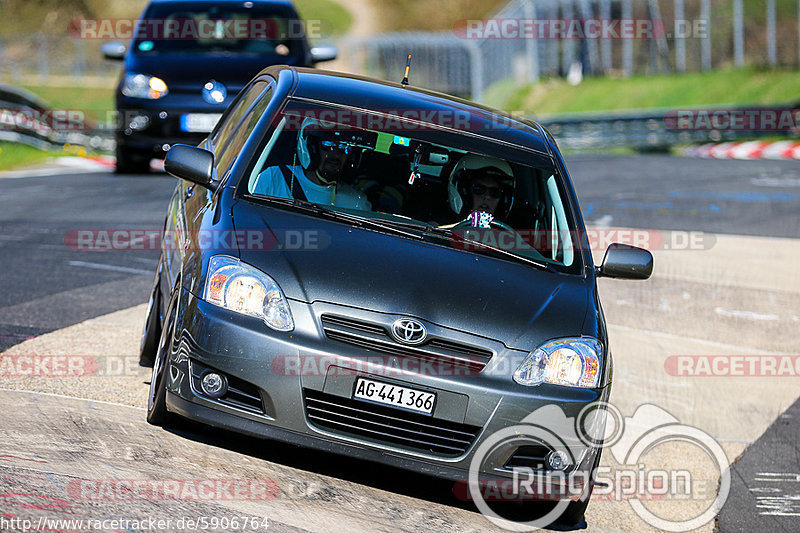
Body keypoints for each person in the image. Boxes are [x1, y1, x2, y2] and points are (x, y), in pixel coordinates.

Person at [251, 118, 371, 210]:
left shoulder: (357, 204)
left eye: (344, 147)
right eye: (327, 144)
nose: (335, 155)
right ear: (311, 147)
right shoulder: (273, 179)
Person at [447, 154, 514, 226]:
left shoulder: (509, 235)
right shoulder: (438, 229)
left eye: (495, 192)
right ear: (464, 192)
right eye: (478, 189)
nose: (487, 197)